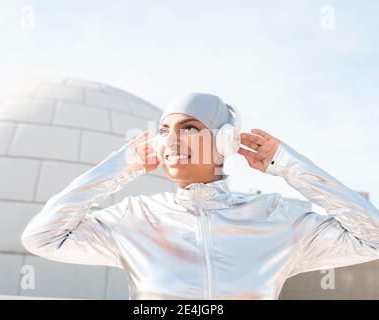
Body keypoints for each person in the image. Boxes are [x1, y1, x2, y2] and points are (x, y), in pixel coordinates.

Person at [21, 92, 379, 300]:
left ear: (224, 140)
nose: (171, 141)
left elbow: (373, 238)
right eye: (163, 131)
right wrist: (119, 167)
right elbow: (42, 237)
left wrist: (290, 165)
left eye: (189, 128)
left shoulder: (276, 217)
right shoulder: (135, 217)